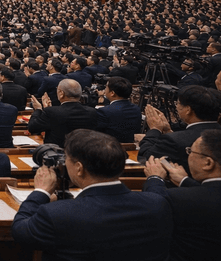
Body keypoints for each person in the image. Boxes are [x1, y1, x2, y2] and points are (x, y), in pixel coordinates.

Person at [11, 130, 172, 261]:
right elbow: (157, 193)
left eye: (66, 158)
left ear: (79, 168)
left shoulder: (58, 214)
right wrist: (155, 178)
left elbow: (20, 230)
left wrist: (41, 191)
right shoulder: (157, 204)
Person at [143, 131, 221, 261]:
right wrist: (184, 180)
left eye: (190, 151)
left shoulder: (178, 199)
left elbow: (153, 205)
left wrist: (154, 178)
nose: (188, 155)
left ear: (208, 163)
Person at [137, 85, 221, 172]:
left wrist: (154, 129)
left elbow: (146, 157)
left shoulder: (174, 140)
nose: (176, 107)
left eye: (178, 103)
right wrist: (168, 131)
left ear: (188, 110)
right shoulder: (174, 138)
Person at [27, 78, 99, 147]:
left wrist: (38, 109)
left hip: (57, 154)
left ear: (61, 93)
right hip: (82, 154)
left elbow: (33, 128)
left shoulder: (52, 112)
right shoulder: (92, 112)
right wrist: (49, 109)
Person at [95, 77, 141, 143]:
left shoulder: (104, 112)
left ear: (112, 93)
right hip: (131, 146)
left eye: (106, 87)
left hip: (110, 148)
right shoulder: (136, 109)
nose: (104, 90)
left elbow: (98, 135)